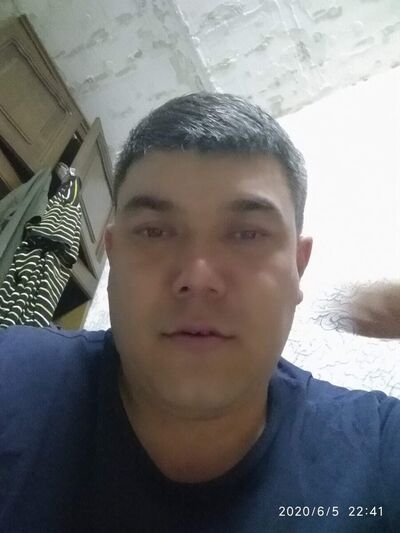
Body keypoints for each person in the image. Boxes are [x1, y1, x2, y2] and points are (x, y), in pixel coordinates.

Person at [0, 93, 399, 533]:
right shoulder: (10, 378)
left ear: (298, 267)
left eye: (248, 234)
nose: (197, 277)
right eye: (154, 231)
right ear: (113, 255)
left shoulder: (379, 450)